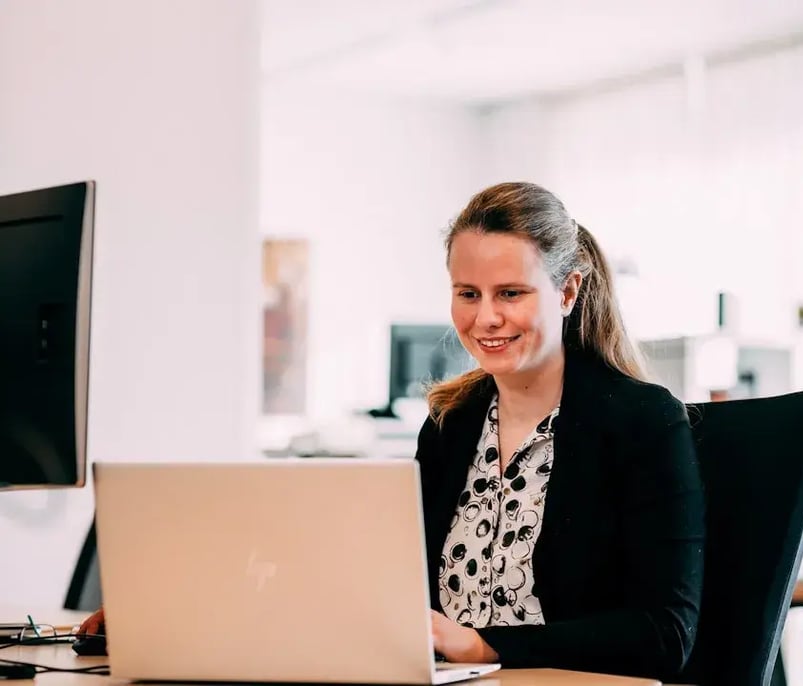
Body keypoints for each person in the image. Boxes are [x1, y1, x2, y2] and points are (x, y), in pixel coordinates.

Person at [77, 182, 705, 681]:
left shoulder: (641, 421)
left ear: (567, 291)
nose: (485, 318)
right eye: (467, 293)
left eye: (510, 293)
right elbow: (374, 584)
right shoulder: (451, 425)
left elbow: (665, 634)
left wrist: (485, 644)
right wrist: (174, 614)